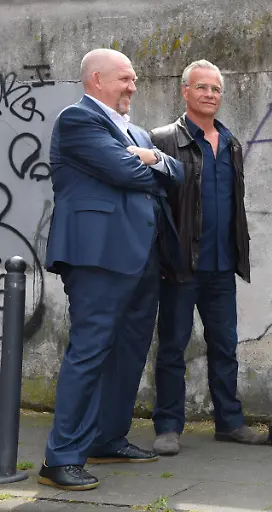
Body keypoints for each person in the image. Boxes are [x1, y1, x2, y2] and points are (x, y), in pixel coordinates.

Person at [38, 48, 184, 491]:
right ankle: (60, 459)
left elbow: (176, 174)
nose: (133, 87)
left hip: (143, 257)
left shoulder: (136, 130)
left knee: (130, 351)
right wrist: (148, 164)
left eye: (134, 79)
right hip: (98, 256)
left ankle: (107, 437)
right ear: (97, 80)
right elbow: (126, 174)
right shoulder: (77, 120)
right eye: (125, 79)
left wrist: (153, 159)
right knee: (89, 352)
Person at [148, 59, 265, 456]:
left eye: (215, 89)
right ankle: (167, 427)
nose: (210, 95)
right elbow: (154, 204)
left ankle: (229, 423)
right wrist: (163, 256)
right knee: (172, 347)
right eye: (202, 88)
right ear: (185, 91)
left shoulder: (231, 142)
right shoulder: (163, 139)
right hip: (180, 267)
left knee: (225, 346)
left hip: (220, 266)